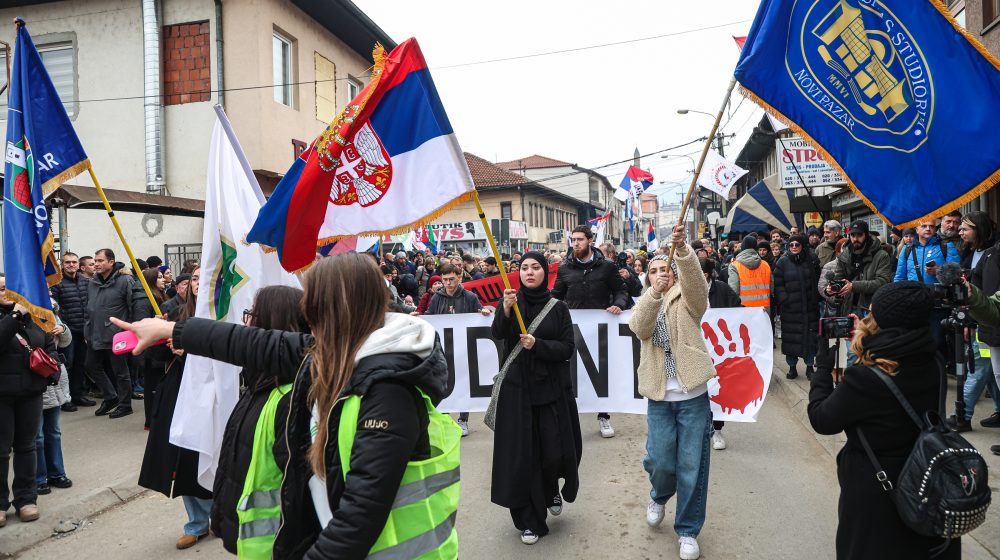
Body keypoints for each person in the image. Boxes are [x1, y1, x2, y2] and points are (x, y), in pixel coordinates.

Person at [113, 253, 460, 559]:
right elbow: (255, 343)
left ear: (334, 306)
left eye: (314, 300)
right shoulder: (339, 351)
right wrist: (169, 329)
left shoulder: (388, 389)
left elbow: (360, 517)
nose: (306, 311)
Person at [808, 282, 960, 559]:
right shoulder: (934, 361)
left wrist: (824, 364)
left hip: (877, 495)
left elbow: (822, 419)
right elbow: (896, 352)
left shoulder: (866, 379)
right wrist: (864, 339)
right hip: (926, 485)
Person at [629, 225, 714, 560]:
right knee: (661, 460)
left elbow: (698, 289)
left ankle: (688, 530)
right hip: (660, 396)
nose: (661, 274)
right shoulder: (645, 301)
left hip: (692, 395)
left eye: (666, 269)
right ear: (647, 276)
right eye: (654, 270)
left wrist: (681, 251)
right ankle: (659, 494)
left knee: (693, 464)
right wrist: (653, 294)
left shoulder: (688, 296)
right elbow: (640, 328)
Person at [210, 286, 309, 556]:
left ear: (269, 322)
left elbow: (301, 493)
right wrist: (220, 516)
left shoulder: (290, 398)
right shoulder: (258, 383)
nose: (247, 322)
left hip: (276, 548)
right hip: (250, 540)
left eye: (252, 314)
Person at [491, 252, 581, 545]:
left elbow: (567, 348)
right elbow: (498, 333)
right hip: (517, 392)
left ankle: (551, 486)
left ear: (545, 272)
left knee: (553, 453)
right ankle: (530, 519)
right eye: (524, 268)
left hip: (550, 391)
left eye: (535, 268)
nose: (529, 273)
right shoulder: (510, 302)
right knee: (523, 458)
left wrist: (538, 345)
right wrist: (505, 310)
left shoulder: (558, 308)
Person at [136, 267, 214, 550]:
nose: (197, 283)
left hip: (211, 396)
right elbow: (156, 358)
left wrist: (191, 351)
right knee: (183, 457)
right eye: (194, 278)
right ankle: (197, 523)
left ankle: (219, 513)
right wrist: (157, 334)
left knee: (211, 455)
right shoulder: (176, 313)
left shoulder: (223, 316)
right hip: (178, 392)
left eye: (204, 278)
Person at [552, 225, 630, 439]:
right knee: (571, 372)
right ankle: (569, 418)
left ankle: (604, 416)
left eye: (580, 239)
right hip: (573, 329)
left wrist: (619, 305)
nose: (575, 243)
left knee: (601, 372)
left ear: (590, 241)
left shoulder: (606, 267)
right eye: (573, 240)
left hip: (601, 330)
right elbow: (557, 295)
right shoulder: (565, 267)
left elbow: (620, 290)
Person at [0, 274, 56, 526]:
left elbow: (48, 343)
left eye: (7, 288)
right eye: (0, 289)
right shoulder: (14, 317)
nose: (4, 293)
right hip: (2, 394)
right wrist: (14, 317)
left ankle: (26, 499)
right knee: (1, 451)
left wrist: (53, 368)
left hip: (31, 392)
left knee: (27, 447)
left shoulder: (32, 314)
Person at [424, 263, 493, 435]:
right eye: (445, 280)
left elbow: (480, 312)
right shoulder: (436, 298)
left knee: (464, 383)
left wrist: (483, 312)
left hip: (464, 348)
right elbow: (430, 316)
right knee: (443, 384)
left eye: (451, 279)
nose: (448, 283)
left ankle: (463, 420)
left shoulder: (469, 297)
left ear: (459, 277)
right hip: (443, 348)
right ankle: (446, 418)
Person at [84, 248, 153, 419]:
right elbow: (89, 308)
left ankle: (124, 405)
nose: (97, 264)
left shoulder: (125, 281)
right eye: (95, 261)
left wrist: (133, 328)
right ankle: (111, 396)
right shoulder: (92, 283)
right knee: (90, 365)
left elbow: (136, 305)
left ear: (111, 262)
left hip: (117, 335)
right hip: (95, 333)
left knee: (120, 371)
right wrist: (87, 329)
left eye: (100, 261)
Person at [948, 211, 1000, 433]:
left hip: (989, 324)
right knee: (991, 372)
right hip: (983, 322)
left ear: (979, 229)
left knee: (981, 368)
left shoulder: (994, 254)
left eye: (965, 228)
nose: (960, 231)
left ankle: (963, 415)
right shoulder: (973, 253)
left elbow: (990, 295)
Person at [702, 258, 741, 451]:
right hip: (696, 349)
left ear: (706, 274)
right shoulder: (684, 291)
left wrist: (755, 316)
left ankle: (717, 430)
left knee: (719, 389)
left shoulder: (723, 290)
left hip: (719, 349)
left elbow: (737, 309)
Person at [35, 304, 73, 495]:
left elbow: (65, 342)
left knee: (54, 432)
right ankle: (39, 478)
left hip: (54, 377)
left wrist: (63, 329)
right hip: (33, 380)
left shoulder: (50, 311)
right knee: (37, 436)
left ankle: (57, 473)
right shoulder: (17, 318)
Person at [50, 252, 94, 409]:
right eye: (67, 262)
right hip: (66, 332)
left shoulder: (85, 281)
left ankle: (79, 395)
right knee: (66, 365)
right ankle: (65, 399)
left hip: (83, 330)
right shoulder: (56, 282)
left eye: (74, 262)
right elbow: (54, 308)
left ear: (78, 264)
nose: (71, 265)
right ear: (62, 264)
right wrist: (63, 327)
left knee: (80, 364)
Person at [773, 234, 821, 380]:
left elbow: (818, 280)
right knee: (791, 339)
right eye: (791, 245)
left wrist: (815, 299)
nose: (794, 247)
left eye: (797, 245)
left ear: (803, 246)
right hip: (791, 308)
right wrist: (785, 299)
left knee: (810, 339)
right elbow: (778, 284)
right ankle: (792, 367)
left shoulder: (811, 260)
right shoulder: (782, 262)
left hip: (809, 308)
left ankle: (809, 367)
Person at [829, 221, 894, 317]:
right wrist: (831, 288)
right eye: (852, 235)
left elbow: (882, 282)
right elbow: (839, 277)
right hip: (848, 307)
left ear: (866, 235)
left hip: (870, 309)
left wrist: (853, 286)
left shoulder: (881, 255)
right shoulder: (845, 255)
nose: (855, 239)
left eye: (859, 235)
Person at [727, 235, 772, 315]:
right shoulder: (765, 265)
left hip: (744, 309)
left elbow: (734, 291)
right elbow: (772, 288)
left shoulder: (734, 265)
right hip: (764, 309)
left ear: (743, 247)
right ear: (756, 247)